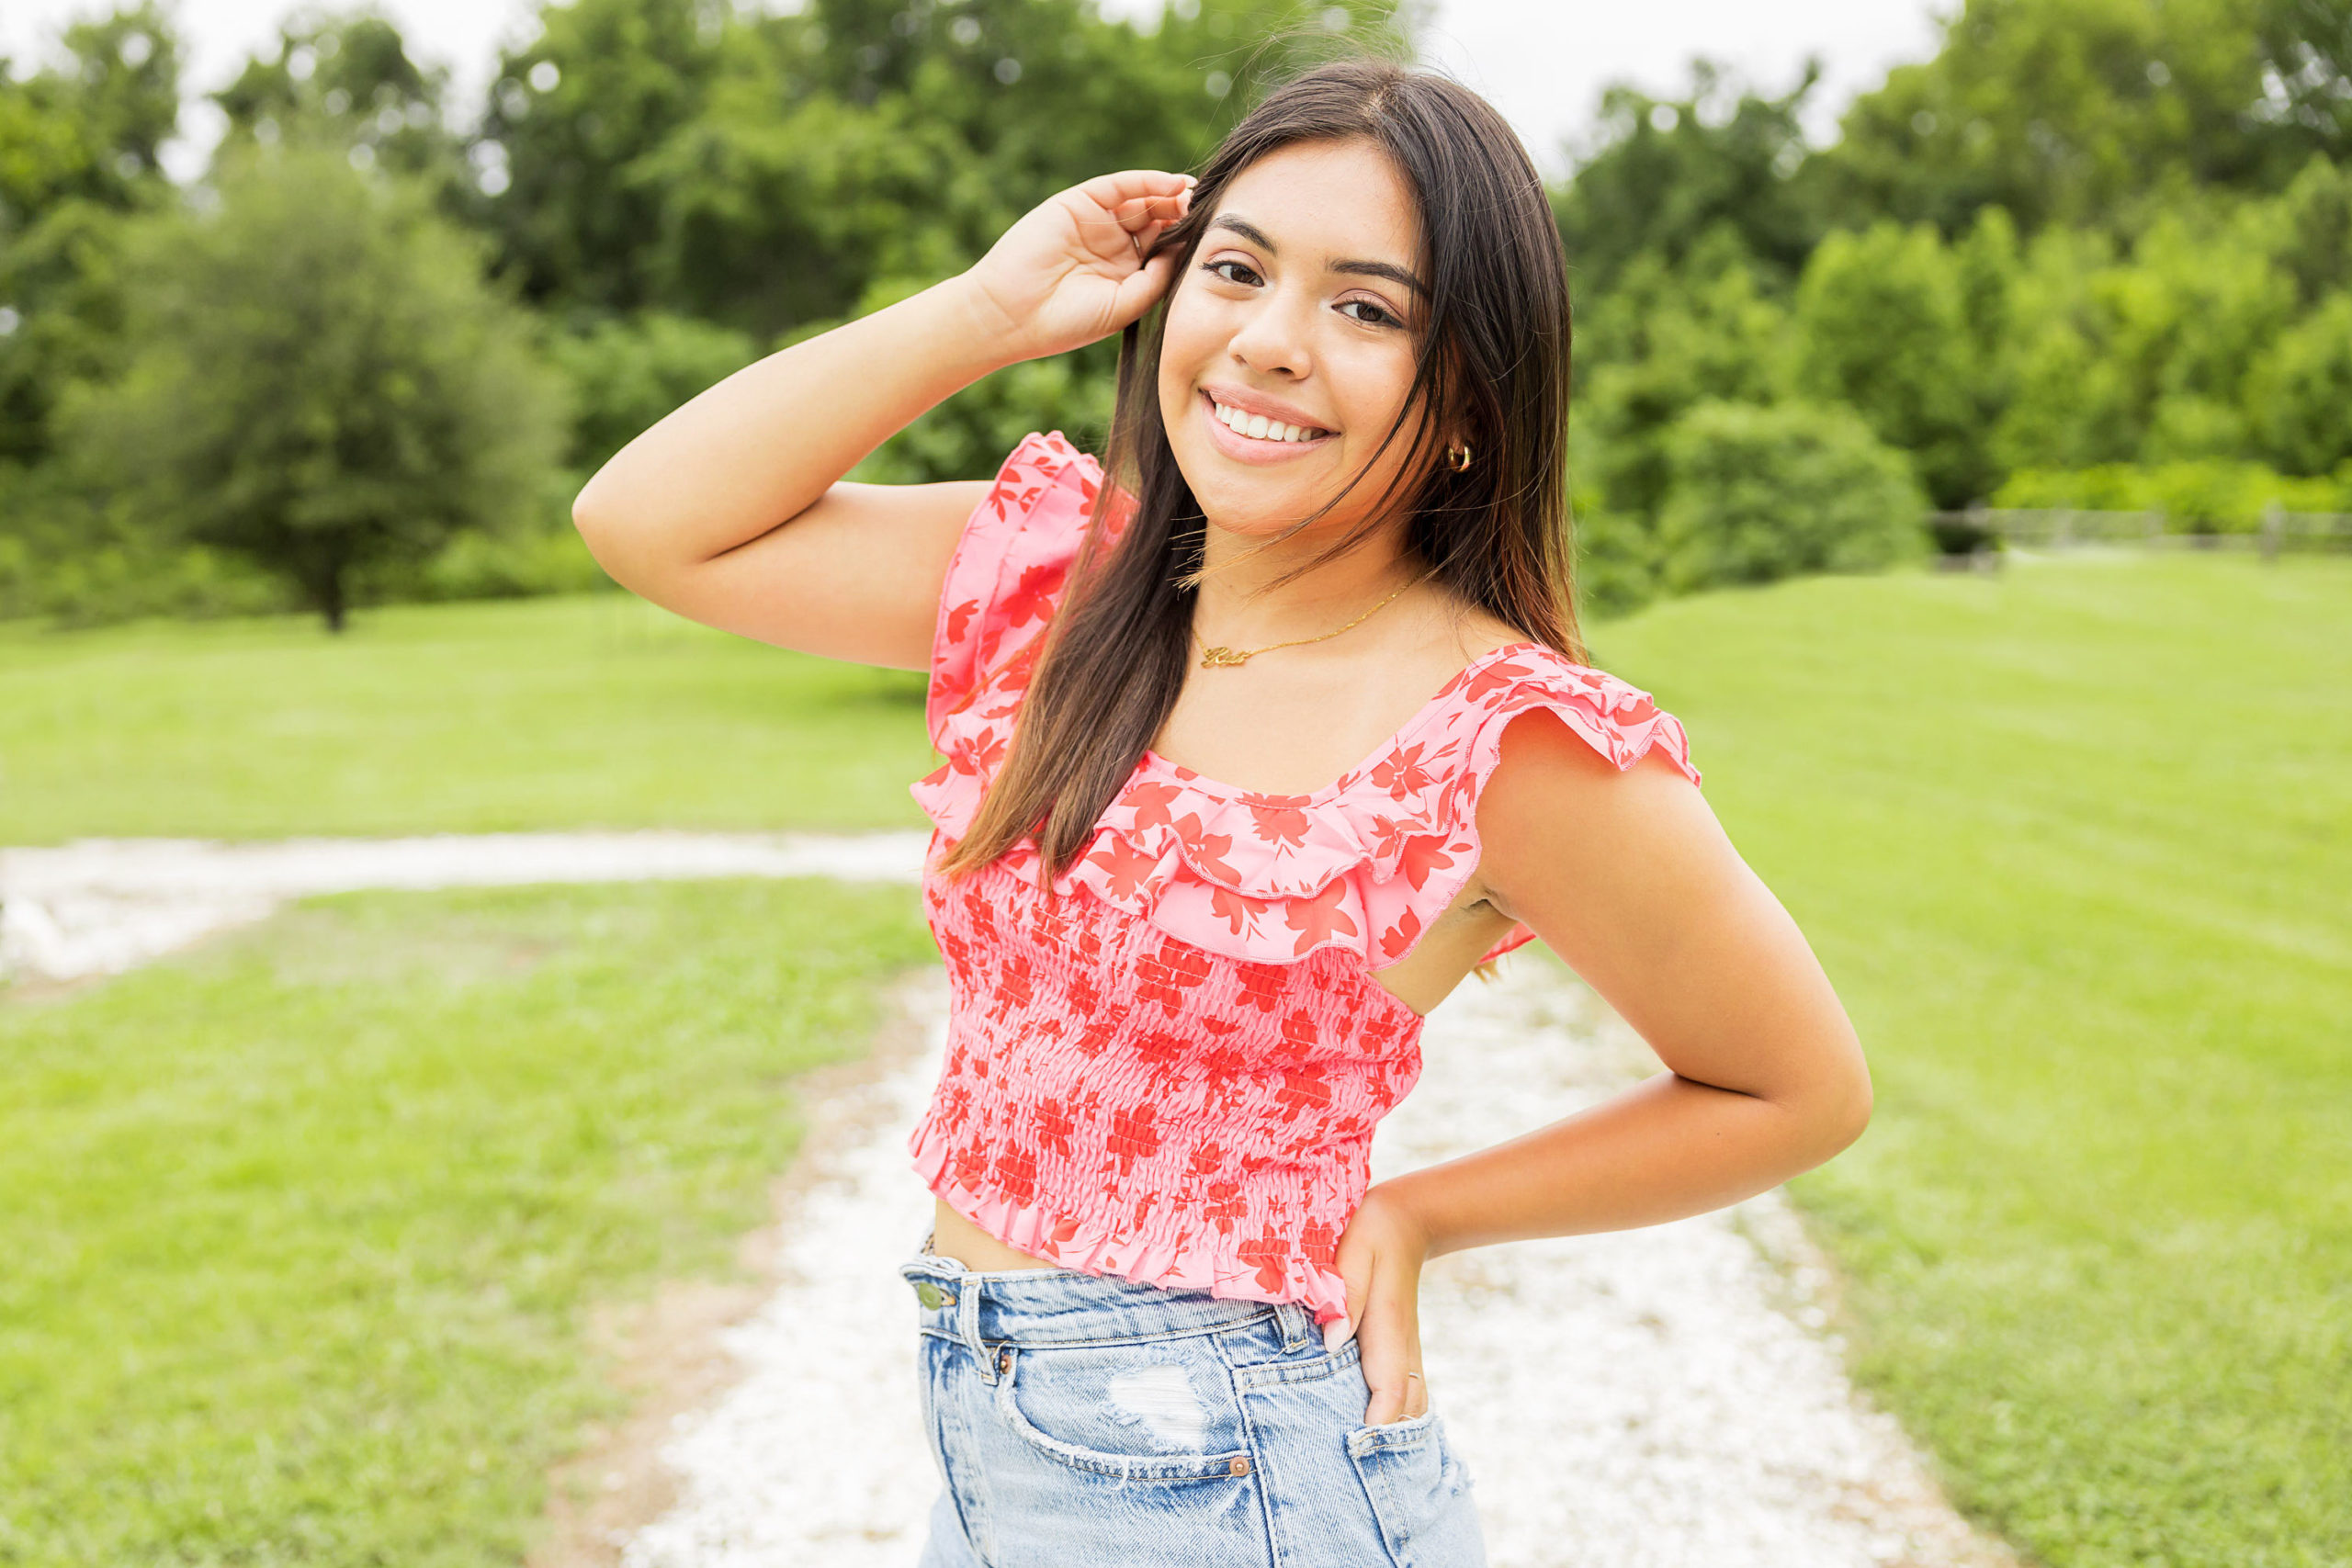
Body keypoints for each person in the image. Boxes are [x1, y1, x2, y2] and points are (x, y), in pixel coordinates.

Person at [572, 53, 1871, 1568]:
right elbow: (647, 521)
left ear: (1467, 395)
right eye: (1238, 271)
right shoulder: (1062, 585)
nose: (1268, 342)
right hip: (990, 1444)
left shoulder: (1505, 735)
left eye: (1365, 307)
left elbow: (1795, 1087)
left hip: (1242, 1484)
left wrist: (1423, 1216)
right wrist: (988, 313)